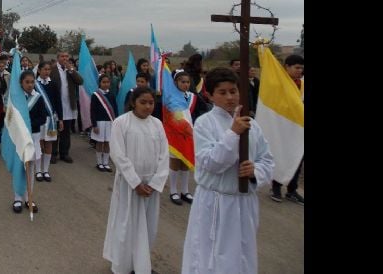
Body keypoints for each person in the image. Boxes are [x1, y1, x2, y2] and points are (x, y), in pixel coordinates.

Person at [181, 67, 274, 274]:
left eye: (233, 91)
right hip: (216, 202)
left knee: (242, 255)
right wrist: (233, 134)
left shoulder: (253, 125)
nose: (230, 97)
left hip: (244, 202)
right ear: (210, 95)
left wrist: (255, 170)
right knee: (211, 257)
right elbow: (211, 163)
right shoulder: (205, 123)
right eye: (222, 92)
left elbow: (267, 159)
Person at [103, 87, 169, 274]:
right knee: (127, 226)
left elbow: (164, 155)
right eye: (143, 102)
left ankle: (142, 265)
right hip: (129, 185)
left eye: (151, 103)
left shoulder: (157, 124)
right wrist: (135, 182)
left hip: (151, 187)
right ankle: (123, 266)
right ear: (133, 102)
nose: (148, 107)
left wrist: (156, 182)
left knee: (148, 228)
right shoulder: (121, 123)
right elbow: (118, 154)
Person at [167, 70, 208, 206]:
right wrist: (183, 127)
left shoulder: (192, 96)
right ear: (175, 82)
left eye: (187, 82)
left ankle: (185, 191)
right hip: (176, 133)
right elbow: (173, 116)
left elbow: (202, 111)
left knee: (186, 162)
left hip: (190, 133)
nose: (185, 84)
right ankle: (173, 191)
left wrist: (196, 125)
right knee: (175, 162)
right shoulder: (171, 97)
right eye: (182, 82)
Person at [13, 70, 50, 213]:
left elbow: (43, 117)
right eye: (26, 82)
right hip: (19, 137)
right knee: (19, 169)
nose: (29, 85)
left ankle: (29, 198)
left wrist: (30, 124)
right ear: (21, 83)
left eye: (32, 82)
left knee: (31, 168)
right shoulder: (17, 98)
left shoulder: (38, 98)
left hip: (33, 136)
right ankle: (17, 198)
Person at [270, 54, 305, 205]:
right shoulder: (279, 84)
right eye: (297, 68)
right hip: (282, 126)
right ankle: (276, 187)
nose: (300, 71)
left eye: (302, 68)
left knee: (297, 157)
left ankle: (292, 189)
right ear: (287, 67)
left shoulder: (302, 84)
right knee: (280, 156)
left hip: (298, 128)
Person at [49, 51, 84, 163]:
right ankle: (53, 153)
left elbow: (80, 81)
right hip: (56, 105)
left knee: (66, 131)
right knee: (55, 130)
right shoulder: (52, 69)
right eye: (62, 56)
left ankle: (64, 153)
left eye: (66, 56)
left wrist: (71, 70)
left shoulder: (71, 70)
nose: (65, 58)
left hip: (69, 105)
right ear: (58, 58)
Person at [35, 61, 60, 182]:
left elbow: (58, 101)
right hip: (39, 119)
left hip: (51, 119)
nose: (46, 72)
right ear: (39, 70)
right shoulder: (34, 84)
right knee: (40, 143)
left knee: (49, 143)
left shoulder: (53, 84)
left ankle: (46, 170)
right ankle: (38, 170)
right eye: (44, 69)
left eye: (48, 69)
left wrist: (59, 118)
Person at [90, 74, 117, 173]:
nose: (106, 84)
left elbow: (115, 109)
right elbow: (92, 111)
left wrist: (116, 122)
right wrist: (94, 124)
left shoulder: (112, 95)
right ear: (99, 83)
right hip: (99, 122)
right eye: (103, 82)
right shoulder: (95, 95)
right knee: (100, 142)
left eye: (108, 82)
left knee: (107, 142)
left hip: (109, 122)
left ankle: (106, 162)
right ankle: (99, 162)